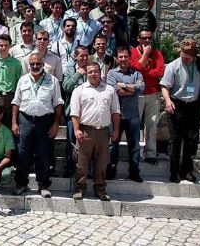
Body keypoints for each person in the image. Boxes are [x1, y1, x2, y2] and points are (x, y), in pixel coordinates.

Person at [160, 38, 200, 183]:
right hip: (177, 104)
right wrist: (167, 101)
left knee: (191, 140)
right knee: (175, 140)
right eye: (182, 56)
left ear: (194, 55)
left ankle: (186, 170)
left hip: (194, 106)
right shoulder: (173, 66)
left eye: (188, 57)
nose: (184, 59)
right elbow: (164, 86)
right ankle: (173, 171)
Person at [11, 52, 63, 198]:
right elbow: (16, 102)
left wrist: (56, 123)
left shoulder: (52, 80)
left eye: (38, 64)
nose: (35, 66)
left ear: (43, 65)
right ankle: (22, 184)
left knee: (44, 154)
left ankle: (43, 185)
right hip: (25, 120)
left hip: (45, 121)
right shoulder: (22, 80)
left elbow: (58, 103)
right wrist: (14, 122)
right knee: (22, 154)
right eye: (32, 64)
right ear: (28, 65)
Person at [70, 62, 120, 201]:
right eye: (90, 71)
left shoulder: (110, 90)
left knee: (102, 163)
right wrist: (76, 129)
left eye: (96, 71)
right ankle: (79, 189)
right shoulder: (79, 90)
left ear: (100, 72)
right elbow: (74, 113)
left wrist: (116, 130)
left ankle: (100, 190)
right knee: (81, 163)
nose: (93, 74)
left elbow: (115, 112)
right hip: (86, 131)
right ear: (86, 73)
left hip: (104, 132)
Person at [106, 46, 145, 182]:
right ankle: (111, 170)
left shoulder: (137, 74)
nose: (123, 59)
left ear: (130, 58)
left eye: (125, 57)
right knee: (113, 145)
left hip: (132, 115)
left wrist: (122, 85)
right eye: (120, 57)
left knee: (134, 146)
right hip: (115, 115)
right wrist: (131, 89)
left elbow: (141, 88)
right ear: (118, 58)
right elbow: (113, 90)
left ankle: (134, 172)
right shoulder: (111, 73)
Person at [130, 29, 165, 165]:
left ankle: (150, 153)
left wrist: (144, 71)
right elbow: (135, 70)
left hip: (153, 92)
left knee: (152, 124)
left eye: (149, 38)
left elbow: (160, 72)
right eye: (144, 38)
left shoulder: (158, 54)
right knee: (135, 125)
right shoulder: (132, 53)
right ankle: (135, 152)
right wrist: (145, 54)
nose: (147, 41)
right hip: (137, 94)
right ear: (139, 39)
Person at [62, 45, 89, 177]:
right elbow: (66, 87)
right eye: (81, 55)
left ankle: (84, 170)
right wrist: (78, 74)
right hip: (73, 113)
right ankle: (69, 167)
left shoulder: (92, 68)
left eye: (86, 55)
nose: (84, 58)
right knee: (71, 142)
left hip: (89, 113)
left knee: (87, 143)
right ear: (75, 56)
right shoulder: (69, 69)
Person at [0, 34, 22, 128]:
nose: (3, 48)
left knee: (10, 123)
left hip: (11, 96)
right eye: (1, 45)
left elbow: (18, 81)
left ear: (10, 46)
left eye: (6, 45)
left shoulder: (16, 63)